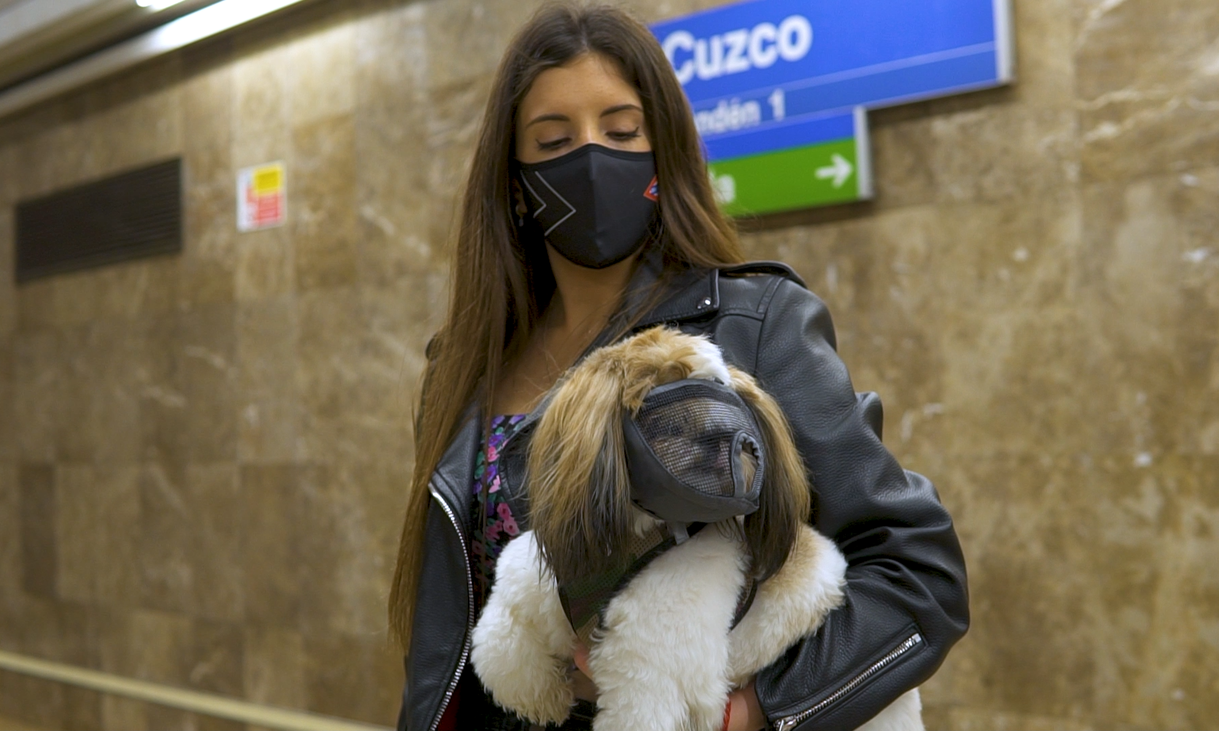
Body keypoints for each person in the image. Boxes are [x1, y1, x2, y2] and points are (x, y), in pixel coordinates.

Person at [388, 3, 969, 730]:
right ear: (515, 179)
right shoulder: (464, 367)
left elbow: (918, 571)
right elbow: (450, 627)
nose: (592, 157)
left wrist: (754, 709)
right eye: (553, 139)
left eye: (621, 130)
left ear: (663, 151)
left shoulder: (755, 323)